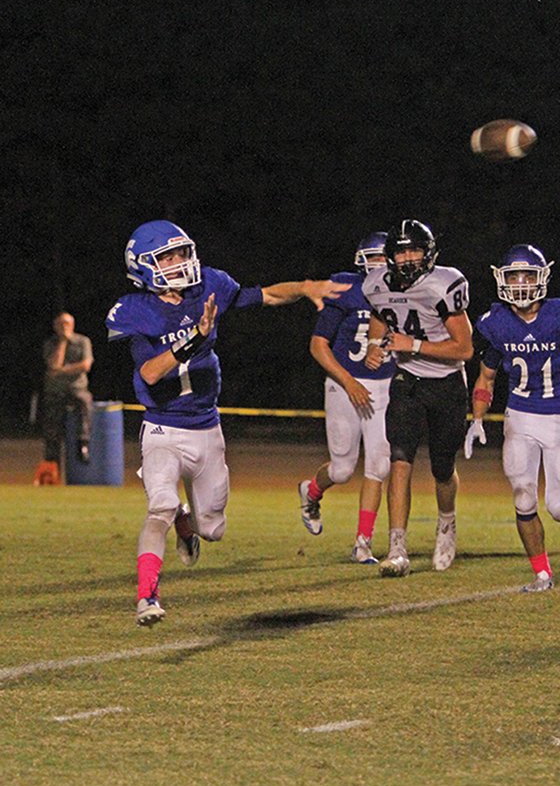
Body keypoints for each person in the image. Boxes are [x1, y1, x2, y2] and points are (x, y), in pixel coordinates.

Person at [105, 219, 349, 627]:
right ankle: (147, 597)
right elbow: (149, 373)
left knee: (212, 529)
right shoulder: (134, 310)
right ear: (144, 266)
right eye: (169, 256)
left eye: (183, 252)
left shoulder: (209, 285)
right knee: (158, 509)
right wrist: (193, 341)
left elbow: (266, 295)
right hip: (163, 428)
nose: (181, 261)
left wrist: (305, 287)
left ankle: (187, 523)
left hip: (207, 429)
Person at [465, 244, 560, 593]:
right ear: (503, 279)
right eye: (515, 276)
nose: (522, 284)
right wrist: (477, 419)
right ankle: (542, 573)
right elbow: (486, 376)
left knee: (559, 509)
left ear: (542, 279)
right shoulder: (495, 323)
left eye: (529, 275)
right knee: (523, 495)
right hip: (521, 418)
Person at [362, 219, 473, 577]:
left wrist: (414, 345)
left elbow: (465, 348)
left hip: (447, 383)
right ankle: (397, 549)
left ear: (429, 254)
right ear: (390, 255)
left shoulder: (443, 284)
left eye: (415, 250)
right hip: (407, 380)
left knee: (443, 468)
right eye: (402, 250)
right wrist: (374, 346)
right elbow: (380, 315)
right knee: (399, 459)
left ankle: (446, 522)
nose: (408, 258)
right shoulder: (376, 283)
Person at [297, 232, 394, 563]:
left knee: (380, 464)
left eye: (385, 258)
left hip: (384, 387)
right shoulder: (346, 289)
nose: (379, 265)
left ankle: (363, 543)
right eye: (374, 258)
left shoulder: (406, 292)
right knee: (341, 469)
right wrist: (350, 381)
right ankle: (311, 492)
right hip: (343, 384)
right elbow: (317, 345)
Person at [40, 312, 94, 476]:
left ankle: (83, 442)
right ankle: (52, 465)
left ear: (73, 325)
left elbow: (85, 365)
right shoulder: (50, 343)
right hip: (55, 391)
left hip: (76, 388)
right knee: (52, 426)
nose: (64, 327)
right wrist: (62, 343)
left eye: (67, 324)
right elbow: (54, 364)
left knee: (84, 401)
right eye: (61, 324)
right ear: (56, 326)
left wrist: (62, 370)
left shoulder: (82, 341)